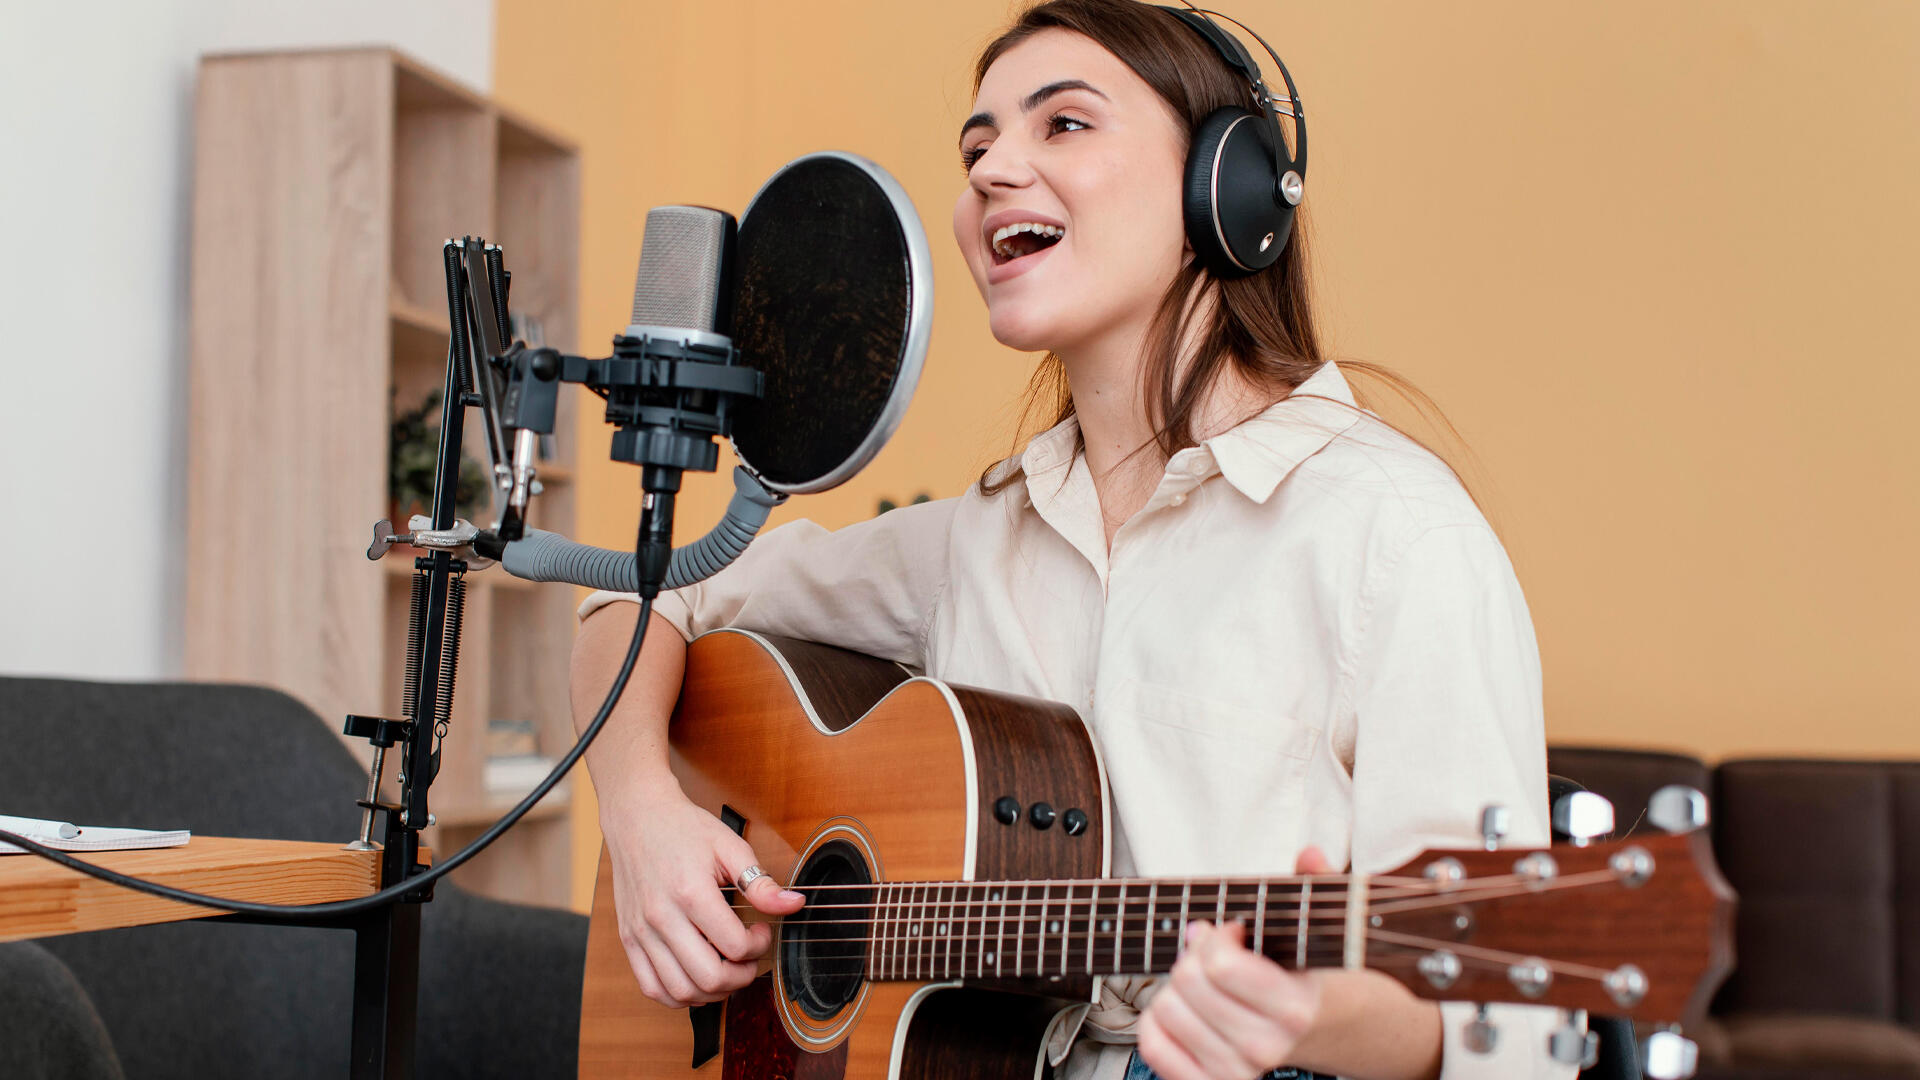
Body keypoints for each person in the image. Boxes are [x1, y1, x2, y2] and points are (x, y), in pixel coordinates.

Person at [568, 1, 1568, 1077]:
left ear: (1223, 189)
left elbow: (1501, 1018)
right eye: (977, 148)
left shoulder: (1395, 536)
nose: (994, 169)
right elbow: (636, 601)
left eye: (1065, 124)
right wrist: (641, 814)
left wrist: (1301, 1017)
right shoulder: (974, 541)